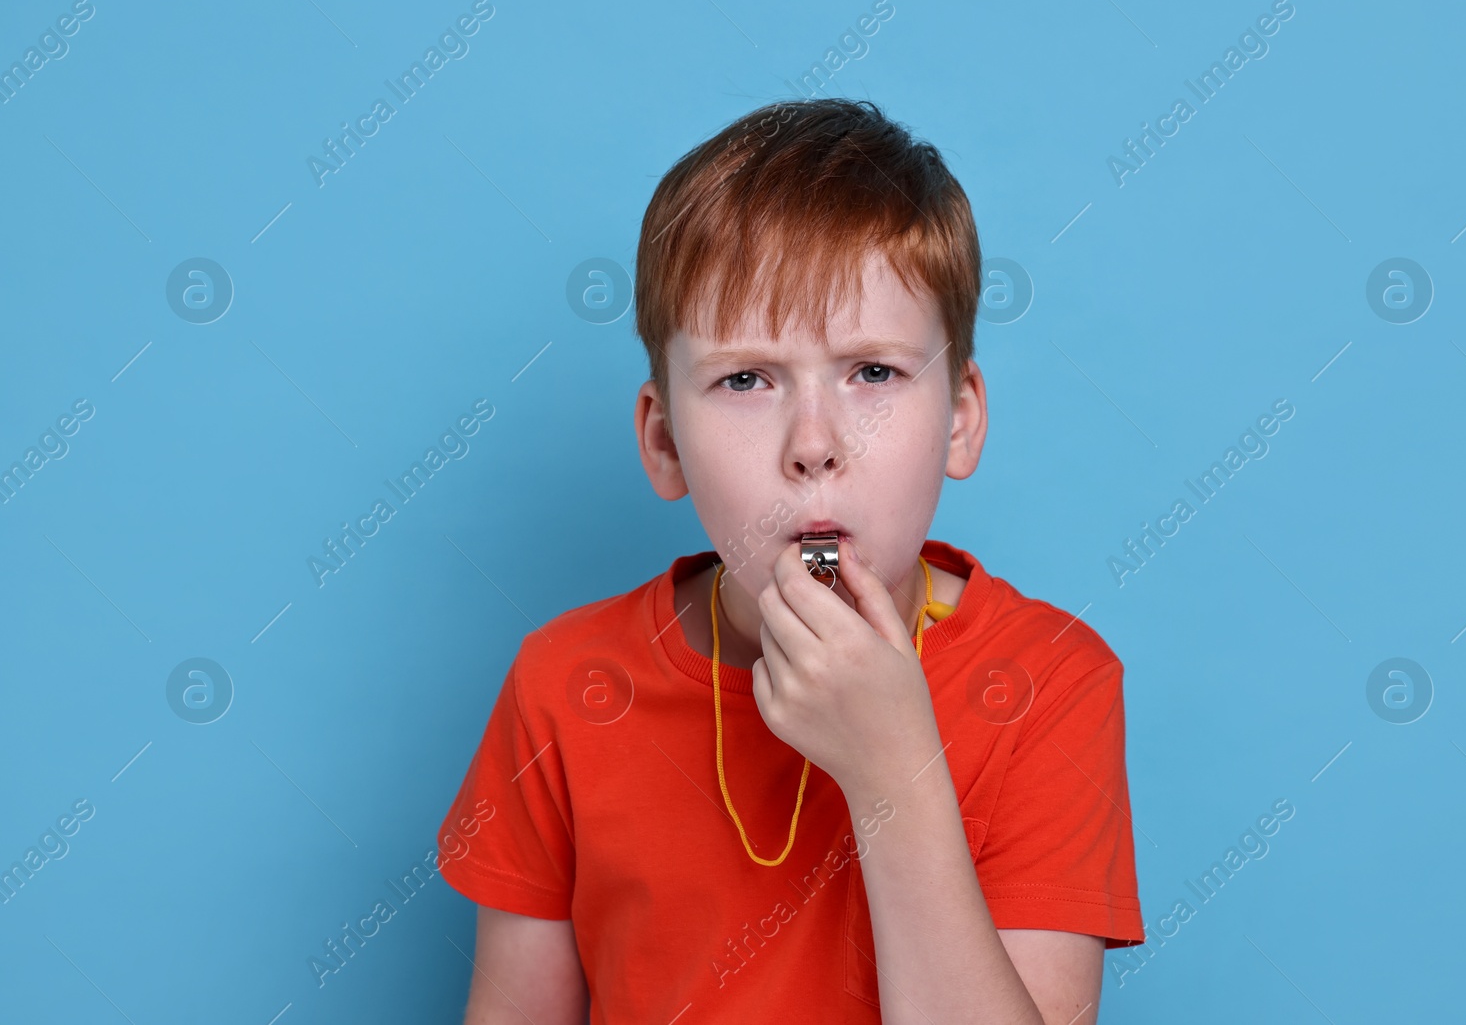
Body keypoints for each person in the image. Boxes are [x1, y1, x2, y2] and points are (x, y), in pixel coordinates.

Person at [436, 98, 1144, 1024]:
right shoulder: (564, 684)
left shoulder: (1052, 682)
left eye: (874, 373)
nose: (813, 444)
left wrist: (895, 772)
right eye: (745, 379)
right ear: (665, 443)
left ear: (962, 419)